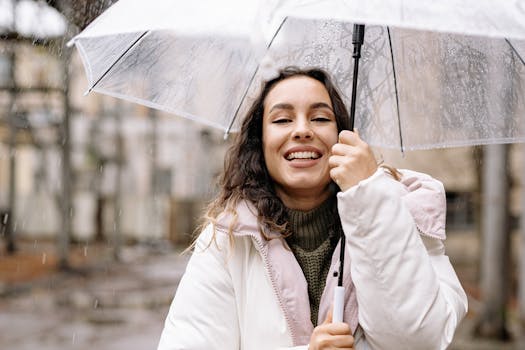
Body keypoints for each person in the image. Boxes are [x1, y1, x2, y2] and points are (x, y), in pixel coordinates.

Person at [157, 66, 468, 349]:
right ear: (259, 143)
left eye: (320, 118)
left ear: (343, 138)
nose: (303, 130)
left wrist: (369, 197)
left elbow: (420, 340)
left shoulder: (404, 212)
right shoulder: (228, 238)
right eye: (282, 120)